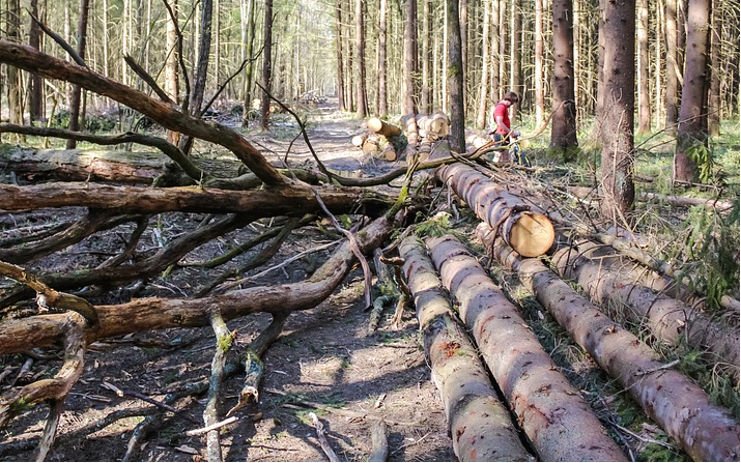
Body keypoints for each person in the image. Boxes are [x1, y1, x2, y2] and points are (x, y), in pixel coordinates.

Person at [488, 91, 519, 163]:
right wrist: (510, 133)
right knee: (498, 155)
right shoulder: (501, 107)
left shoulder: (503, 107)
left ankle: (504, 171)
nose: (511, 105)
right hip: (500, 134)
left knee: (505, 155)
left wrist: (509, 133)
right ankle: (493, 171)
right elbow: (500, 122)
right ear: (509, 100)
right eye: (512, 102)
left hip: (504, 134)